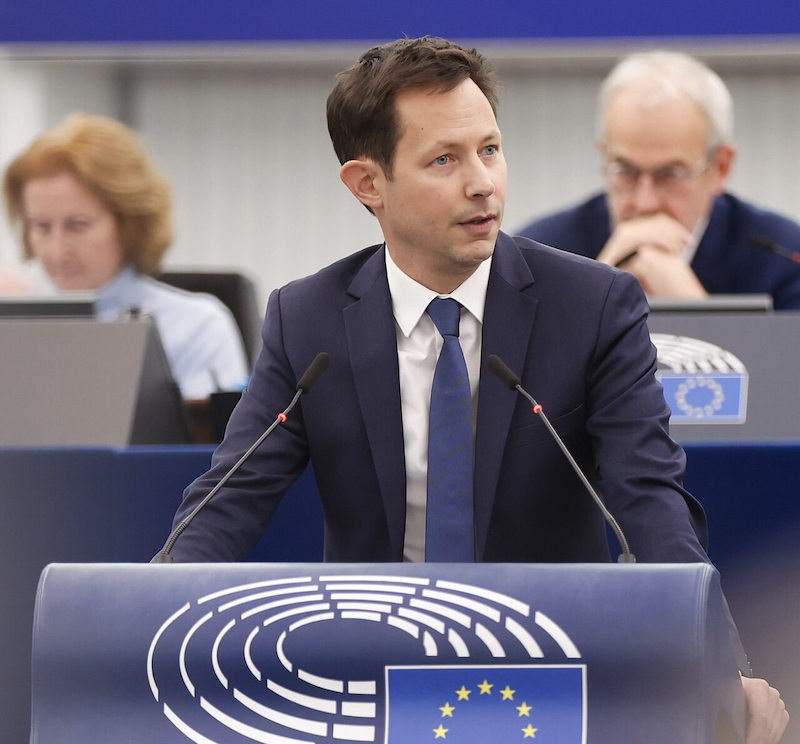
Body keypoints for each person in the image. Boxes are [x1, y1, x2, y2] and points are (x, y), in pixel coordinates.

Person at [164, 37, 787, 741]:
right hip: (372, 680)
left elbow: (650, 502)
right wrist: (139, 618)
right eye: (445, 160)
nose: (483, 183)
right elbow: (228, 502)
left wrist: (725, 669)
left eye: (490, 150)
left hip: (554, 675)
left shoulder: (592, 307)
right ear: (367, 184)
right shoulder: (308, 319)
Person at [517, 51, 800, 309]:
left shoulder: (783, 259)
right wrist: (600, 288)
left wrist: (695, 307)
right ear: (604, 154)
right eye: (626, 171)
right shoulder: (539, 255)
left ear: (720, 167)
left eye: (670, 175)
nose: (645, 202)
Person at [3, 113, 249, 399]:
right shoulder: (13, 325)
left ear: (129, 224)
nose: (57, 251)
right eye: (41, 227)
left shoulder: (196, 328)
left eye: (78, 225)